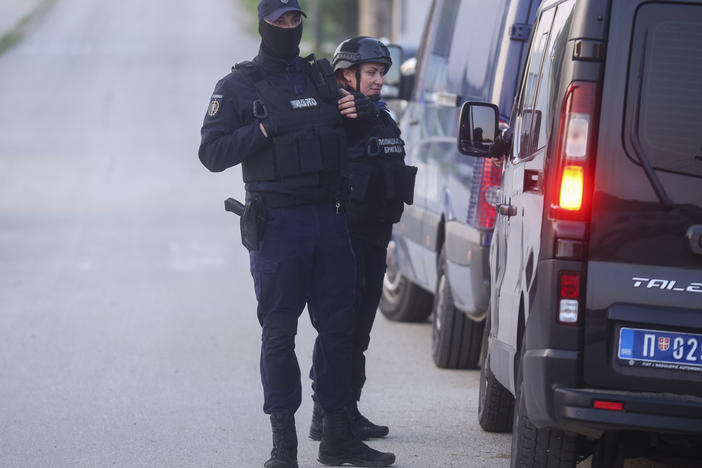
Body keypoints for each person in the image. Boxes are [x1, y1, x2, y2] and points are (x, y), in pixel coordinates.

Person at [198, 2, 395, 467]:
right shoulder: (238, 86)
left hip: (328, 218)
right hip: (278, 225)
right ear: (264, 23)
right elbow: (211, 153)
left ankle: (336, 437)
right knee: (279, 335)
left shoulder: (319, 78)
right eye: (280, 20)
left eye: (295, 20)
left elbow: (350, 136)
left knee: (340, 330)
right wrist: (263, 129)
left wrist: (358, 111)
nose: (289, 27)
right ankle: (283, 447)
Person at [308, 37, 417, 445]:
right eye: (370, 73)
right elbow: (345, 128)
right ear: (346, 75)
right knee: (341, 329)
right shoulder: (344, 111)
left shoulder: (377, 112)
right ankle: (327, 414)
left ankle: (347, 409)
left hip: (374, 235)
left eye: (381, 73)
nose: (378, 81)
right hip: (346, 236)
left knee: (360, 331)